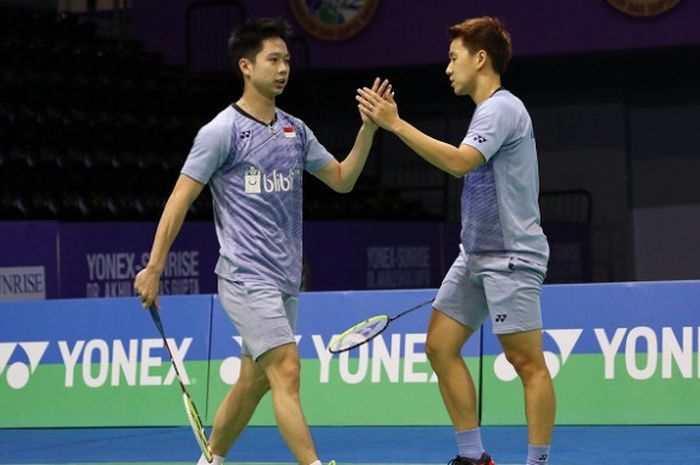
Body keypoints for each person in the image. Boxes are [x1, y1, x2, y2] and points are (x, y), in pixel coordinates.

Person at [134, 17, 388, 465]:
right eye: (274, 59)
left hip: (285, 279)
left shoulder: (295, 131)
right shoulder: (220, 132)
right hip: (245, 278)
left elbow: (344, 179)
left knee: (254, 381)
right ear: (246, 66)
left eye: (287, 59)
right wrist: (155, 267)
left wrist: (368, 129)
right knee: (287, 369)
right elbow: (178, 199)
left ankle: (210, 460)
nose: (284, 68)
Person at [356, 16, 555, 465]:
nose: (447, 68)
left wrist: (396, 124)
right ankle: (473, 457)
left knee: (527, 364)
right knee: (439, 347)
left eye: (453, 57)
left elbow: (461, 163)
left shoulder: (502, 108)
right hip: (475, 256)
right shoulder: (485, 112)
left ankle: (537, 463)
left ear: (480, 58)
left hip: (511, 256)